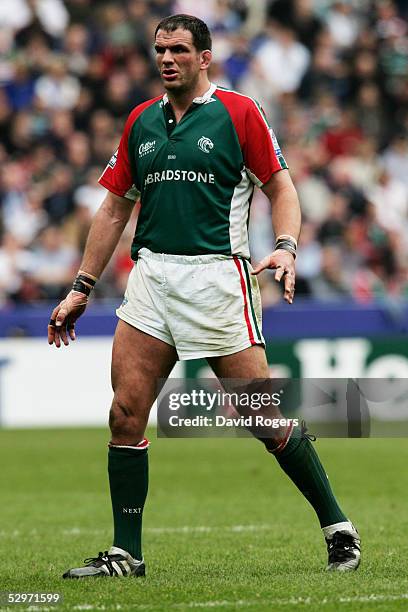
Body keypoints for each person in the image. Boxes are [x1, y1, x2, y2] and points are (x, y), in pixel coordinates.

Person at [48, 14, 360, 578]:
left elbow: (281, 186)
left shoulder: (240, 112)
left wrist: (287, 246)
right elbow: (116, 206)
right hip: (151, 280)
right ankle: (127, 553)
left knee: (264, 416)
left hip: (217, 280)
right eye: (160, 50)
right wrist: (81, 287)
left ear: (205, 57)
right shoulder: (141, 120)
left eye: (179, 50)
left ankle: (338, 527)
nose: (166, 59)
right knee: (125, 414)